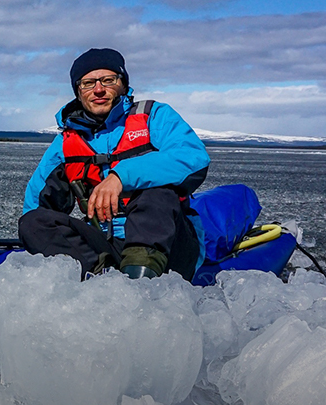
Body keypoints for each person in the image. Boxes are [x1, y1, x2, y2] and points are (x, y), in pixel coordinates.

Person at [19, 48, 210, 280]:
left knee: (157, 194)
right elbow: (36, 208)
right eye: (88, 83)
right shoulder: (65, 143)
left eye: (108, 80)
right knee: (33, 222)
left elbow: (193, 157)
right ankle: (102, 279)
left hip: (169, 243)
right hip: (106, 243)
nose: (98, 89)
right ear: (78, 92)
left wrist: (120, 177)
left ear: (123, 84)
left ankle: (138, 284)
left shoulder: (154, 116)